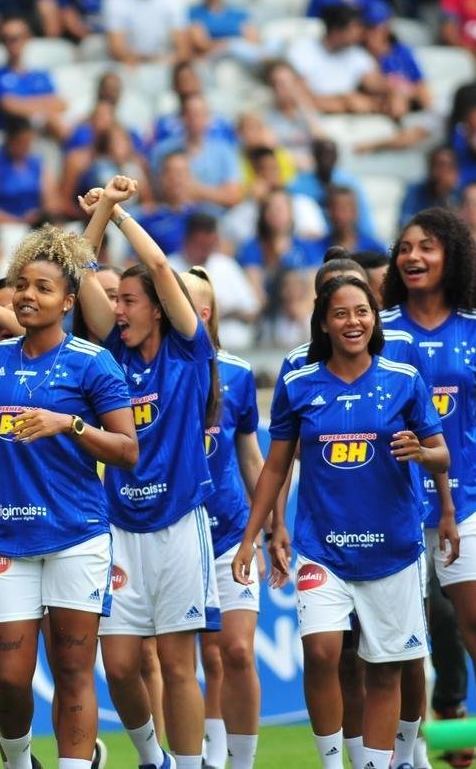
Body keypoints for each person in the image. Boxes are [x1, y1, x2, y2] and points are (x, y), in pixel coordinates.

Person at [0, 224, 138, 769]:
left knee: (71, 672)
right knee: (11, 681)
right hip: (7, 541)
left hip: (76, 537)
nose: (27, 295)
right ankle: (20, 762)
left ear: (67, 301)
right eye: (21, 285)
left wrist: (70, 425)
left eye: (42, 288)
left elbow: (128, 451)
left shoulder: (93, 362)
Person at [232, 274, 449, 769]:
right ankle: (333, 763)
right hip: (322, 549)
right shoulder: (298, 384)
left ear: (374, 319)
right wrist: (253, 538)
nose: (353, 322)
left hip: (393, 551)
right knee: (324, 653)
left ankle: (378, 763)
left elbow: (441, 456)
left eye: (362, 312)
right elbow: (274, 466)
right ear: (324, 323)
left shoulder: (404, 380)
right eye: (341, 313)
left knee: (387, 670)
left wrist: (423, 452)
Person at [74, 176, 219, 769]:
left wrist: (120, 216)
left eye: (129, 302)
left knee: (179, 664)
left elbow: (159, 263)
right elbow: (79, 273)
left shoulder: (189, 348)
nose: (117, 310)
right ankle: (151, 757)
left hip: (180, 523)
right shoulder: (113, 358)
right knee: (122, 664)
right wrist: (99, 212)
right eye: (117, 304)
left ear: (159, 307)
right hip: (120, 528)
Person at [380, 208, 476, 731]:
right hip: (396, 509)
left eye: (428, 247)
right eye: (406, 248)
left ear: (453, 256)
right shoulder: (381, 329)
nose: (413, 257)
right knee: (400, 647)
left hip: (468, 505)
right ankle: (405, 757)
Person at [184, 268, 264, 769]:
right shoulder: (151, 372)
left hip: (231, 533)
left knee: (235, 652)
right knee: (195, 658)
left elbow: (252, 457)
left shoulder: (235, 374)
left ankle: (241, 762)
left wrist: (269, 523)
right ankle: (205, 757)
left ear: (205, 312)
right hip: (173, 534)